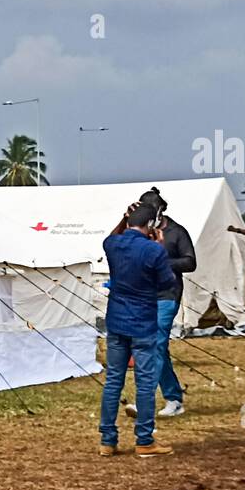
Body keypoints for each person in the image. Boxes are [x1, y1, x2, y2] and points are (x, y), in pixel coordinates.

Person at [99, 202, 176, 457]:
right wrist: (161, 247)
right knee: (144, 383)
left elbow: (112, 236)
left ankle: (107, 441)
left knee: (113, 382)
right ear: (151, 226)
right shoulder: (154, 251)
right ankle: (144, 439)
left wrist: (124, 218)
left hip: (116, 320)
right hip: (142, 321)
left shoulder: (112, 244)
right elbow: (167, 282)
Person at [125, 187, 196, 420]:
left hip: (168, 295)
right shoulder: (141, 232)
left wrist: (162, 261)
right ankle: (174, 398)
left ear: (160, 211)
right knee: (158, 348)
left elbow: (190, 262)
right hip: (145, 295)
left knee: (155, 343)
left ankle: (143, 401)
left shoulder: (177, 232)